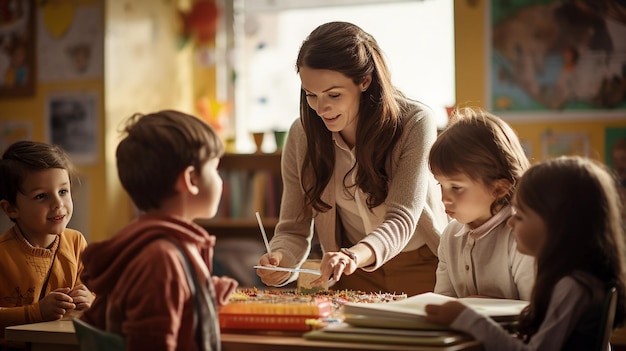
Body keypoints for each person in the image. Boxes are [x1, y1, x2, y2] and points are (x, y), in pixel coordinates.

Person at [256, 21, 448, 296]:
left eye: (334, 94)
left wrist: (353, 256)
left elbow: (402, 218)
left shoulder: (415, 123)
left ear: (365, 81)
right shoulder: (303, 135)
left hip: (422, 264)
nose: (321, 108)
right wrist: (279, 261)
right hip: (351, 272)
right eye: (311, 95)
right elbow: (293, 229)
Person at [425, 156, 626, 350]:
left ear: (557, 224)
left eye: (519, 216)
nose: (511, 222)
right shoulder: (574, 281)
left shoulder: (574, 286)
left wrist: (469, 319)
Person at [80, 110, 238, 351]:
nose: (220, 180)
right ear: (191, 179)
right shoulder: (161, 260)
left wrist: (204, 294)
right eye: (215, 168)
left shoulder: (163, 247)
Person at [428, 107, 535, 300]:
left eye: (457, 187)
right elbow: (443, 302)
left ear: (498, 188)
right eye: (440, 184)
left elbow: (535, 312)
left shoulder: (522, 236)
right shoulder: (450, 236)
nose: (444, 198)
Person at [0, 141, 94, 344]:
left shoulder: (76, 242)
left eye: (63, 192)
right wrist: (36, 312)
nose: (58, 204)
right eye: (41, 196)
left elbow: (98, 296)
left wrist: (90, 300)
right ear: (11, 209)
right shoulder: (3, 253)